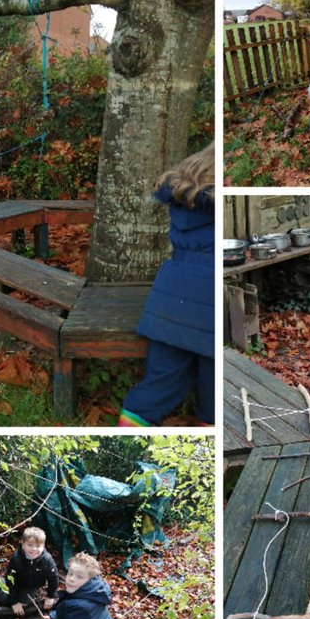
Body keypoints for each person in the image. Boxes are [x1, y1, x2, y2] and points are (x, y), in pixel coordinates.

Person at [118, 143, 214, 427]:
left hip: (170, 301)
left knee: (157, 387)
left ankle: (129, 428)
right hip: (207, 306)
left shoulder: (185, 196)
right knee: (214, 400)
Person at [0, 527, 59, 615]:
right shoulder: (17, 558)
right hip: (16, 583)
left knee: (24, 602)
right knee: (3, 600)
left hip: (32, 586)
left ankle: (2, 583)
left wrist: (51, 596)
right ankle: (0, 584)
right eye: (30, 545)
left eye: (38, 546)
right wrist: (14, 602)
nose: (34, 549)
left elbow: (53, 578)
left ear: (43, 547)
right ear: (23, 545)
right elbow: (10, 578)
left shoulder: (47, 560)